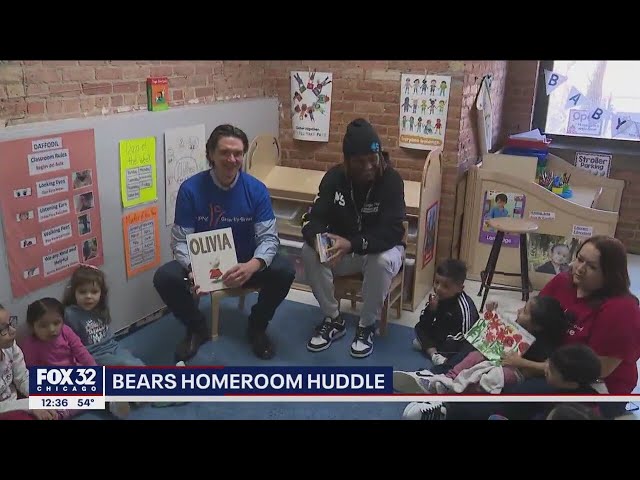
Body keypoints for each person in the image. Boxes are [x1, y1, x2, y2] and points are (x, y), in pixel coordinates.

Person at [153, 124, 296, 362]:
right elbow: (179, 241)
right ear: (211, 154)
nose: (232, 159)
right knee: (164, 278)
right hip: (202, 267)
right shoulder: (190, 190)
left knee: (285, 270)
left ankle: (257, 325)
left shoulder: (256, 190)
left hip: (245, 264)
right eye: (225, 153)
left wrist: (253, 265)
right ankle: (196, 327)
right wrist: (194, 270)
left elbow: (269, 238)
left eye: (238, 153)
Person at [301, 118, 406, 358]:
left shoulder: (391, 180)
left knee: (379, 260)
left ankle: (366, 325)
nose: (369, 166)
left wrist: (352, 244)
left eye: (373, 159)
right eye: (360, 162)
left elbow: (392, 232)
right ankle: (333, 318)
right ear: (347, 161)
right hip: (344, 251)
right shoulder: (334, 178)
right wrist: (320, 241)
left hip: (381, 250)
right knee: (308, 251)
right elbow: (312, 219)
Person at [402, 343, 604, 420]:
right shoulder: (566, 386)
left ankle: (446, 409)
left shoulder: (575, 412)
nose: (545, 370)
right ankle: (445, 399)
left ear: (570, 383)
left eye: (550, 371)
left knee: (503, 403)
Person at [19, 297, 96, 420]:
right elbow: (32, 372)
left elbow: (81, 352)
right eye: (43, 325)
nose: (52, 329)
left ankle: (112, 402)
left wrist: (94, 370)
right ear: (32, 327)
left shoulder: (66, 331)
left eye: (56, 323)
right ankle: (64, 412)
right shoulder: (31, 345)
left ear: (62, 321)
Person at [412, 259, 479, 365]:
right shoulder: (437, 298)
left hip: (456, 339)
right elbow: (424, 322)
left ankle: (430, 348)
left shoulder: (464, 306)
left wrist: (446, 339)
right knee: (419, 328)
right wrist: (431, 310)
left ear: (460, 288)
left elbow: (468, 336)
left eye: (445, 286)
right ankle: (434, 354)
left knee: (456, 347)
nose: (438, 288)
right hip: (441, 332)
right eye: (436, 282)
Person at [0, 303, 58, 420]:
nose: (12, 331)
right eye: (3, 329)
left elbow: (22, 378)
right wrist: (30, 405)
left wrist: (40, 399)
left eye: (10, 323)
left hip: (17, 402)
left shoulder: (10, 347)